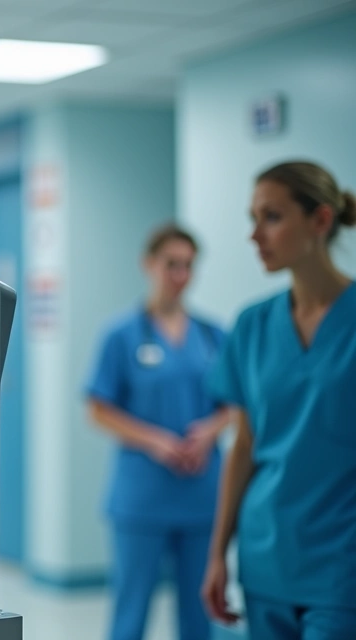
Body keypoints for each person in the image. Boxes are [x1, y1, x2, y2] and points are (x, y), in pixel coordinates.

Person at [202, 161, 356, 640]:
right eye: (252, 218)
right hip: (265, 554)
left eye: (271, 217)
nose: (254, 235)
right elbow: (244, 446)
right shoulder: (251, 325)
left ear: (321, 220)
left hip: (342, 559)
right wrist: (216, 555)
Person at [85, 224, 230, 640]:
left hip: (202, 494)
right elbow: (98, 410)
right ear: (148, 265)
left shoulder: (212, 334)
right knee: (131, 611)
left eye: (188, 266)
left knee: (200, 614)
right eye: (172, 265)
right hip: (142, 497)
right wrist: (158, 441)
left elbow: (236, 405)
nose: (180, 275)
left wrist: (210, 431)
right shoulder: (121, 335)